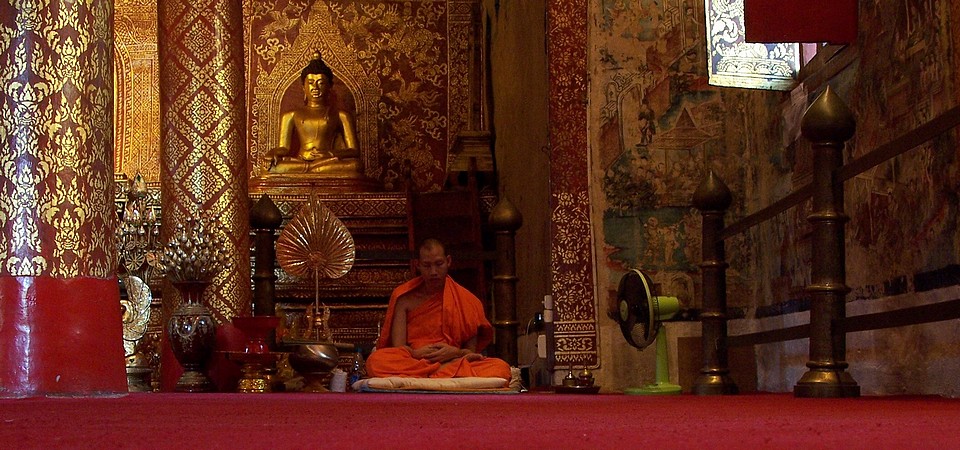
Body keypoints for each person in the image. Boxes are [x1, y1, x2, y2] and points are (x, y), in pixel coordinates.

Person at [365, 238, 511, 382]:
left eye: (439, 264)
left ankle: (435, 373)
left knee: (501, 368)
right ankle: (440, 372)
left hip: (453, 359)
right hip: (416, 361)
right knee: (375, 361)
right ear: (417, 265)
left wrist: (455, 352)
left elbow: (470, 352)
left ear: (448, 261)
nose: (433, 271)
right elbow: (398, 348)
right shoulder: (404, 298)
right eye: (427, 265)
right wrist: (416, 353)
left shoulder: (468, 300)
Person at [266, 52, 363, 176]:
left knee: (355, 166)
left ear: (329, 87)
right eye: (311, 82)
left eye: (321, 83)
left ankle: (312, 169)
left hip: (327, 162)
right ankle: (312, 169)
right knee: (270, 167)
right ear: (303, 87)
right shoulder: (291, 115)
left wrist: (330, 154)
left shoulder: (340, 115)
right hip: (301, 161)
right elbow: (284, 148)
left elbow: (354, 150)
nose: (315, 87)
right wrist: (271, 154)